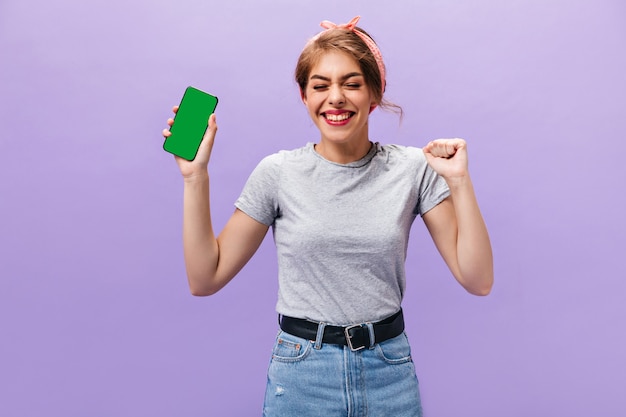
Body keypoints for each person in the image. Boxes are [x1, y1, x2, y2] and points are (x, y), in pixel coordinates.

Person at [162, 16, 493, 417]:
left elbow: (478, 280)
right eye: (320, 86)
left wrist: (459, 181)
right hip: (303, 375)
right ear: (304, 97)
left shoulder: (413, 168)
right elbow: (204, 278)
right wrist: (195, 176)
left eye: (351, 84)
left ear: (375, 93)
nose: (335, 97)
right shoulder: (278, 172)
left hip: (388, 371)